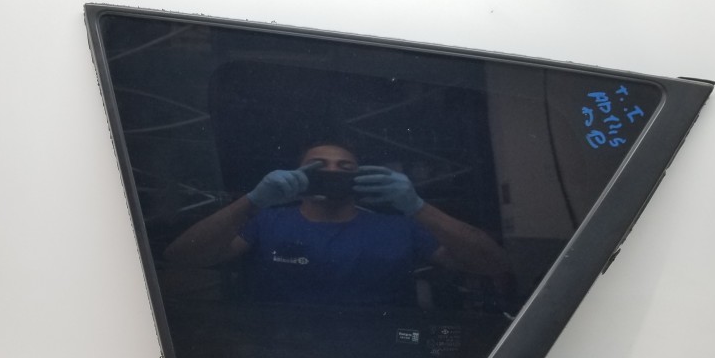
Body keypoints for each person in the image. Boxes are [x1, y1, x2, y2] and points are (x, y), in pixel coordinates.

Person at [163, 143, 513, 307]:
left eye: (345, 168)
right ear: (297, 176)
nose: (332, 172)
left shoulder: (398, 227)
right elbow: (183, 257)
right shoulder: (267, 221)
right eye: (318, 166)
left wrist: (418, 207)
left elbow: (492, 264)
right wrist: (252, 201)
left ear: (360, 177)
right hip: (279, 356)